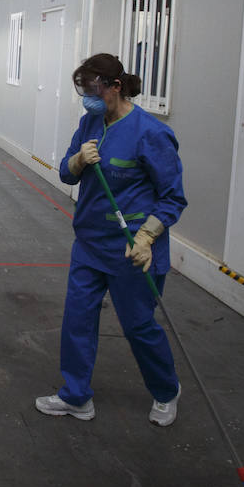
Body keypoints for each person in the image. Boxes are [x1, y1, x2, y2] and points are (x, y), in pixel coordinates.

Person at [36, 53, 187, 426]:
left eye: (94, 89)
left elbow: (173, 197)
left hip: (131, 249)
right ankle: (76, 396)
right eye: (84, 90)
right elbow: (66, 174)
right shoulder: (90, 122)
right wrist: (77, 162)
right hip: (89, 242)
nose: (87, 98)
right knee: (77, 319)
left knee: (138, 326)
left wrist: (148, 237)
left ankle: (167, 391)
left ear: (115, 87)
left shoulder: (151, 133)